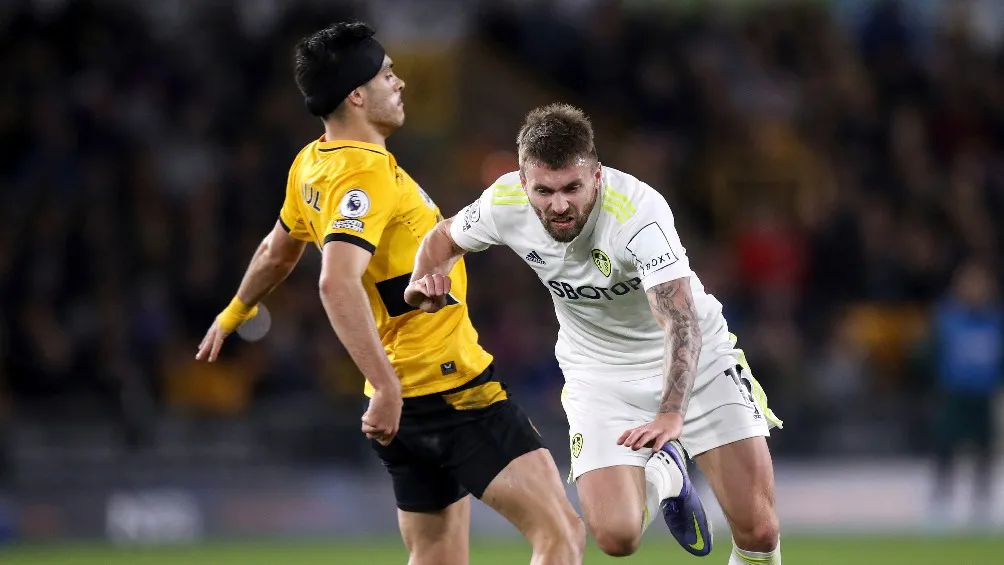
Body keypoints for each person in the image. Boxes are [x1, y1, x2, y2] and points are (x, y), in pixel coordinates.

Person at [195, 24, 584, 565]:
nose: (399, 83)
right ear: (357, 94)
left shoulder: (312, 163)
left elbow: (276, 251)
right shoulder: (365, 172)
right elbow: (335, 279)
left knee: (437, 555)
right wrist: (385, 386)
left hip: (406, 405)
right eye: (386, 75)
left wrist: (236, 310)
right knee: (561, 534)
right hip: (448, 388)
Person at [406, 103, 784, 564]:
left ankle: (673, 455)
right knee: (616, 538)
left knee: (759, 532)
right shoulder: (503, 203)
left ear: (597, 175)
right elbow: (442, 238)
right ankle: (664, 475)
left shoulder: (638, 213)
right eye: (544, 191)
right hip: (598, 373)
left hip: (693, 360)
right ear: (523, 182)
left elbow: (679, 320)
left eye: (572, 188)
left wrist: (670, 414)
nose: (559, 204)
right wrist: (425, 280)